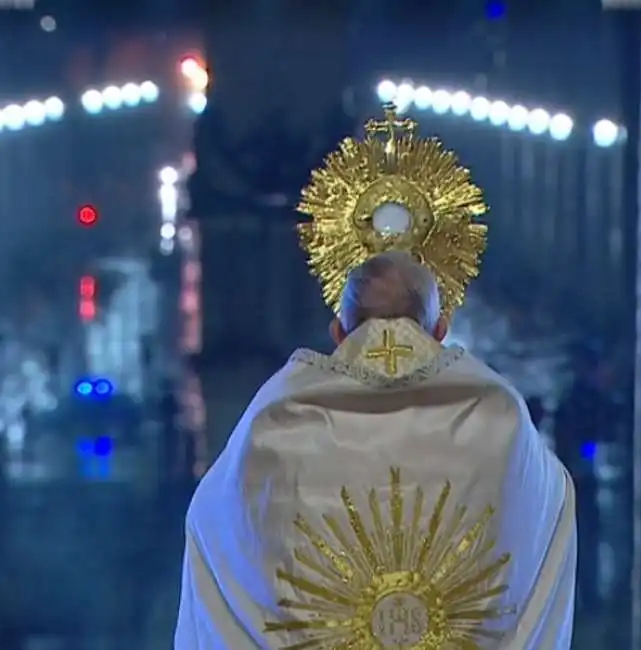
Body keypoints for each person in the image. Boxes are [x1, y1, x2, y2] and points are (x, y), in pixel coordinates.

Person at [174, 105, 576, 649]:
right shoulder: (499, 418)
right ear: (441, 326)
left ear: (338, 330)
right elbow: (545, 534)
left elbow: (214, 539)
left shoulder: (277, 421)